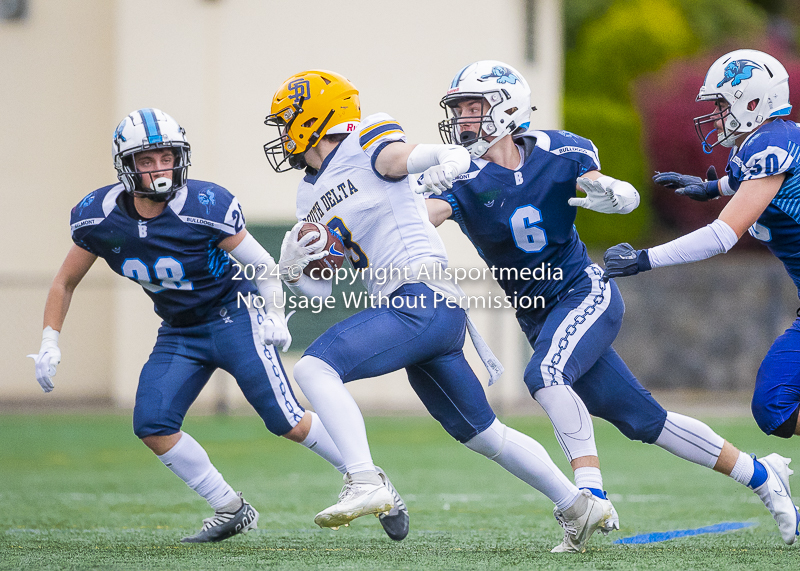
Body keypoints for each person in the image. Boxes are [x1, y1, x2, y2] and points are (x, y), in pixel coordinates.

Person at [423, 60, 799, 545]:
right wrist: (400, 206)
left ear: (506, 107)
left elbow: (609, 190)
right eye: (458, 109)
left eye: (472, 108)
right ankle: (763, 476)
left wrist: (615, 196)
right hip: (537, 316)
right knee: (646, 421)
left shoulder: (560, 151)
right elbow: (415, 224)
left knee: (545, 376)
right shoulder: (458, 176)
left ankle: (588, 495)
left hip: (584, 293)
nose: (463, 120)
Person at [264, 69, 613, 553]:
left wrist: (444, 155)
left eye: (287, 121)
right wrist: (294, 268)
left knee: (315, 368)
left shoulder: (366, 137)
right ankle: (578, 505)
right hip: (417, 311)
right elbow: (320, 288)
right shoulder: (308, 192)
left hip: (420, 298)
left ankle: (365, 479)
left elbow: (398, 159)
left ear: (313, 117)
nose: (282, 134)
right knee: (484, 435)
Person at [27, 108, 407, 544]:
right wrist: (49, 340)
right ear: (125, 165)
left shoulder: (205, 206)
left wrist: (275, 315)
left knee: (288, 421)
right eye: (146, 160)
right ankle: (230, 508)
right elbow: (65, 281)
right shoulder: (97, 216)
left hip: (235, 315)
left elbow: (263, 266)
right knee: (152, 424)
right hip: (179, 329)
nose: (159, 168)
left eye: (166, 157)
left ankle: (373, 483)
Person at [604, 48, 800, 543]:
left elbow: (723, 236)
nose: (713, 116)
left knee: (775, 404)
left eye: (720, 104)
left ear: (751, 100)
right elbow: (751, 182)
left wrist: (647, 259)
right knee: (775, 405)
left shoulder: (773, 142)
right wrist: (712, 186)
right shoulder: (766, 143)